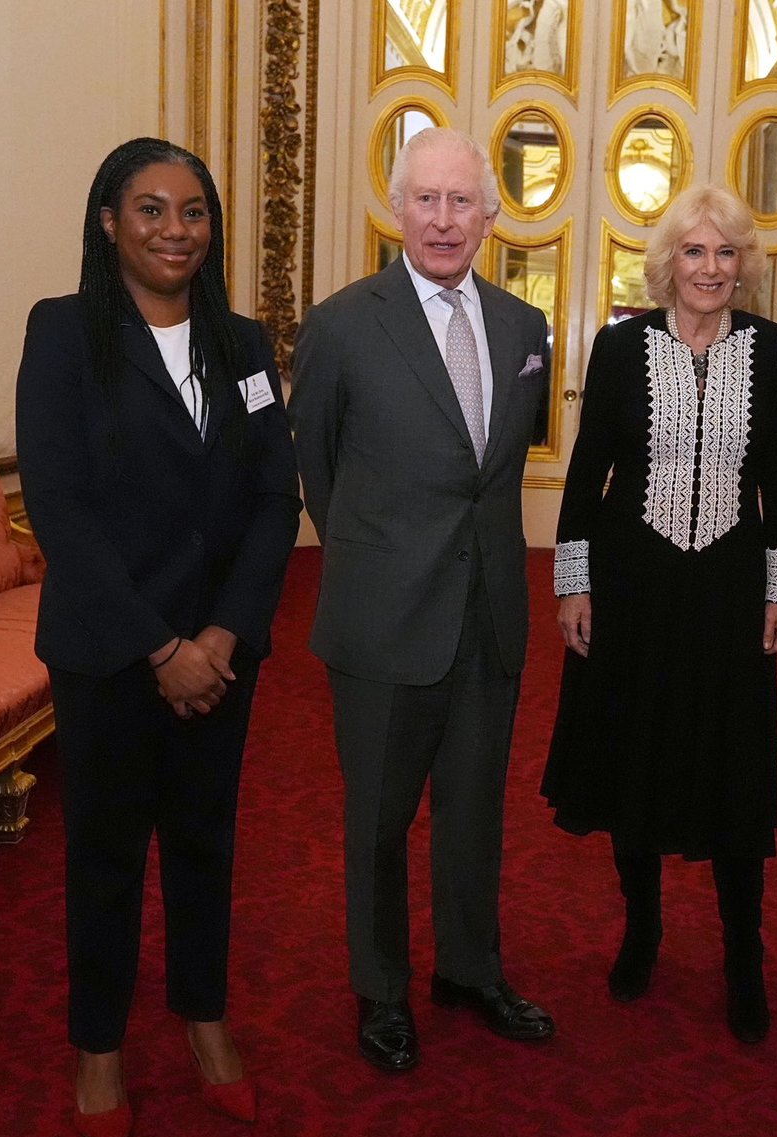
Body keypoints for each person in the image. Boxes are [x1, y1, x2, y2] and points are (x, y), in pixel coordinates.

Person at [16, 137, 300, 1137]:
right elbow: (59, 506)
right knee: (103, 853)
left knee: (204, 843)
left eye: (192, 212)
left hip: (221, 653)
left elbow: (276, 498)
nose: (175, 230)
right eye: (150, 209)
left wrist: (220, 635)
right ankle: (99, 1045)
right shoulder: (63, 335)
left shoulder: (246, 345)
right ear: (108, 222)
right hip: (109, 649)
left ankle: (205, 1023)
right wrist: (159, 646)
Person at [290, 126, 555, 1073]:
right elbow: (315, 465)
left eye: (462, 202)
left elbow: (497, 471)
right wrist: (379, 555)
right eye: (427, 200)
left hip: (488, 615)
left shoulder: (527, 330)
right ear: (396, 208)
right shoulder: (341, 324)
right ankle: (382, 990)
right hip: (383, 616)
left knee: (476, 807)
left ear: (491, 216)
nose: (444, 220)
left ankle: (471, 971)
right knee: (379, 816)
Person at [541, 184, 777, 1043]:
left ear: (744, 267)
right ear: (667, 265)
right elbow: (585, 480)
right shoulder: (620, 349)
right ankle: (642, 930)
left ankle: (743, 956)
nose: (711, 268)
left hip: (728, 590)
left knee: (731, 768)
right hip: (632, 586)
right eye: (694, 252)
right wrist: (573, 584)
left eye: (726, 253)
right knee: (636, 760)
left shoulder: (774, 348)